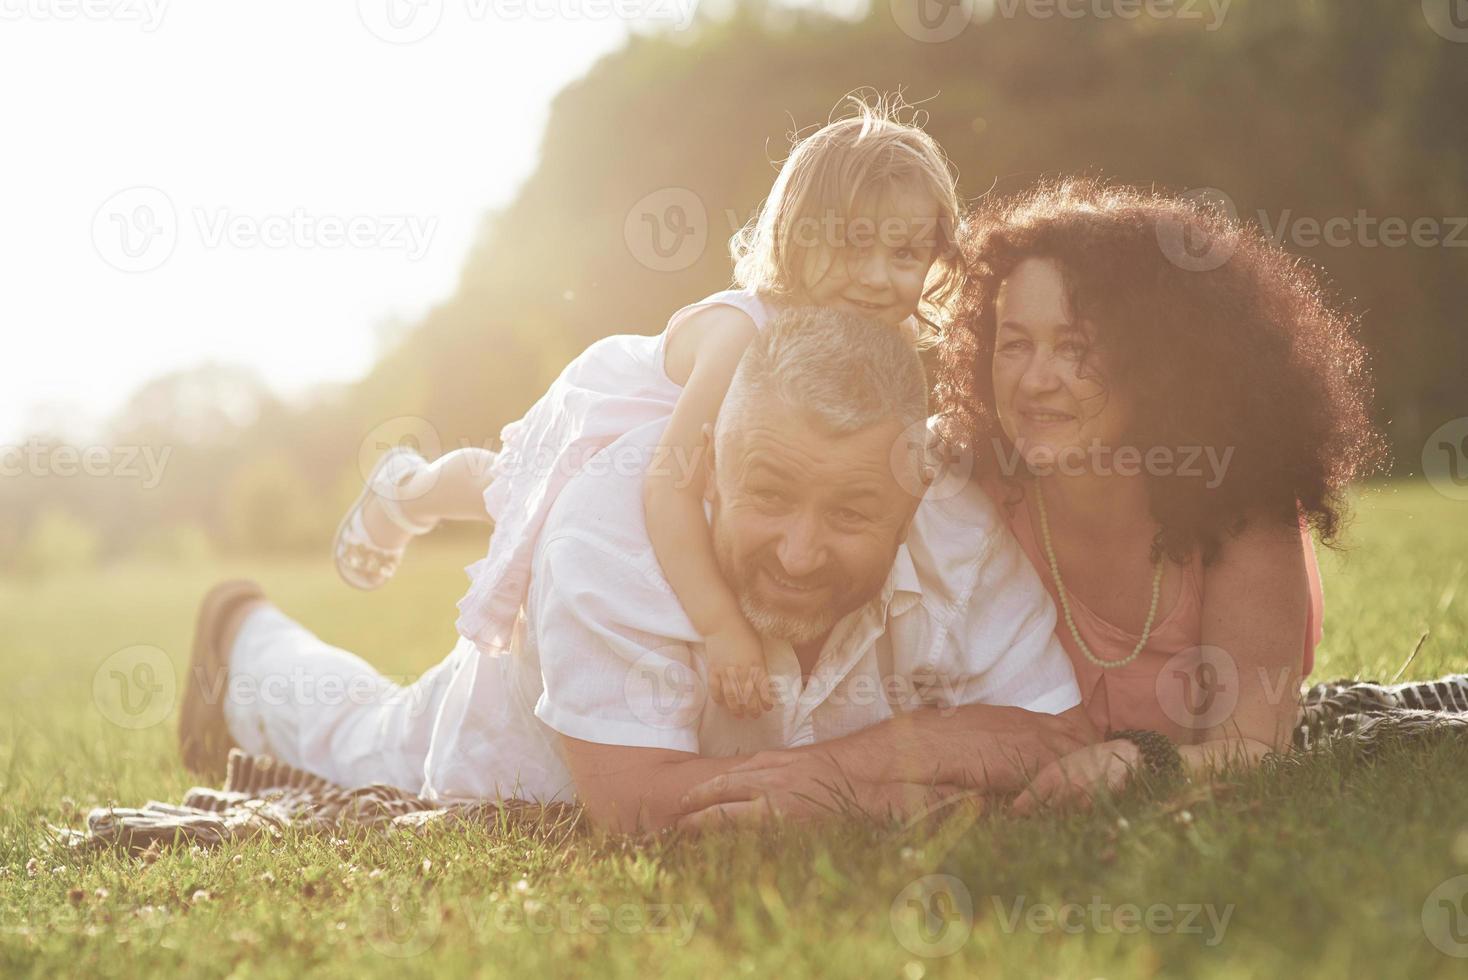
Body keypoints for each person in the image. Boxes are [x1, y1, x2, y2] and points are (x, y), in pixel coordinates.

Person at [182, 308, 1090, 833]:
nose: (802, 552)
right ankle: (241, 639)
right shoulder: (605, 538)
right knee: (352, 737)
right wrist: (921, 768)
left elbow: (1057, 732)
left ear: (914, 489)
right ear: (708, 467)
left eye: (852, 514)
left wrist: (844, 776)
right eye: (769, 495)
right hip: (512, 741)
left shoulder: (956, 526)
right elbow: (638, 806)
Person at [331, 94, 964, 718]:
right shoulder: (745, 334)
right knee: (504, 488)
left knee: (502, 488)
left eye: (905, 253)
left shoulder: (887, 336)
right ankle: (407, 491)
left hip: (714, 439)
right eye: (854, 247)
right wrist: (720, 625)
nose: (881, 277)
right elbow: (670, 490)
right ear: (799, 237)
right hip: (628, 413)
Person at [928, 179, 1387, 809]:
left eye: (1075, 347)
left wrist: (1142, 763)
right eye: (1014, 345)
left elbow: (1256, 746)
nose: (1035, 380)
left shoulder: (1241, 506)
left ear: (1159, 363)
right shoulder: (966, 489)